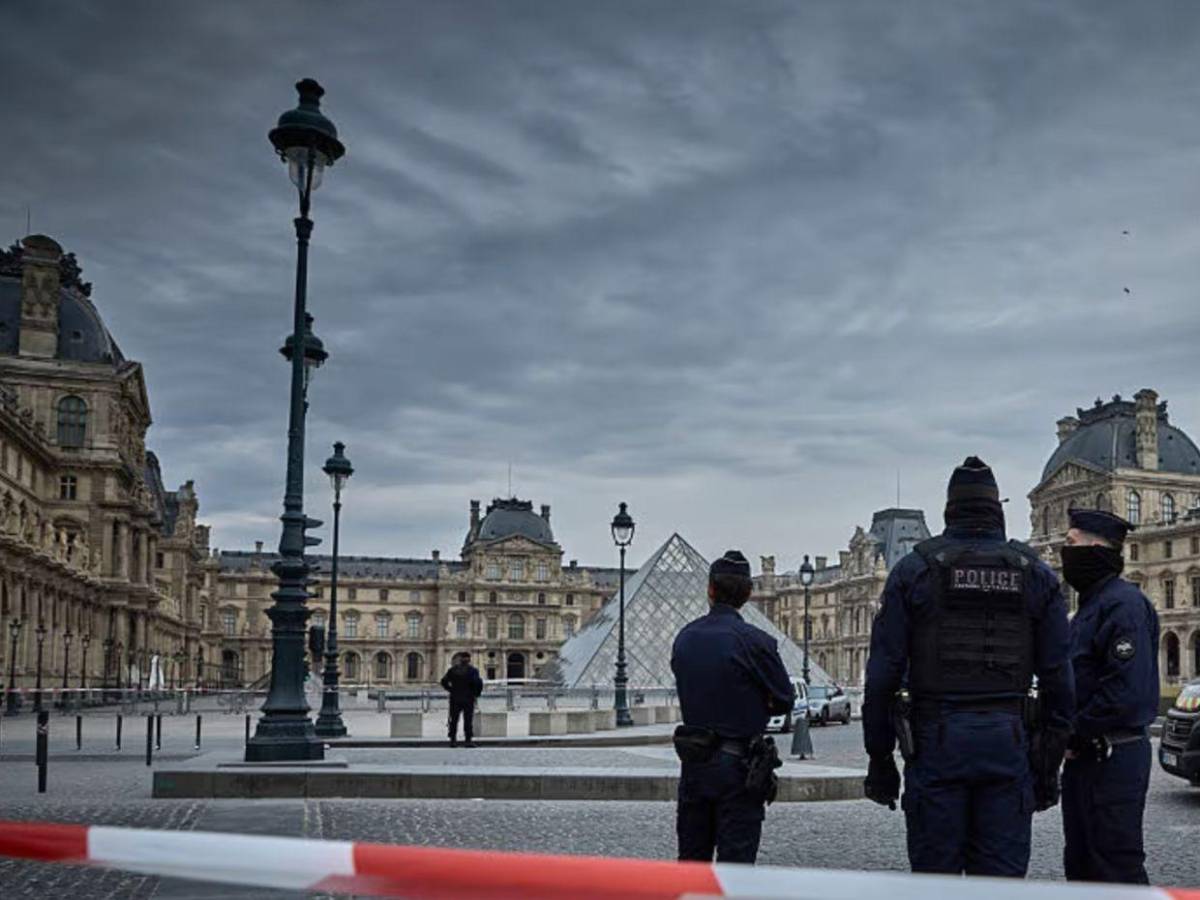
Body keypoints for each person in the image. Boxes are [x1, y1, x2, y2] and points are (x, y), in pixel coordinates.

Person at [862, 456, 1074, 877]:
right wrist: (1047, 769)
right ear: (999, 510)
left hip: (935, 743)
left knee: (936, 881)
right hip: (1008, 741)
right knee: (999, 884)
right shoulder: (1035, 573)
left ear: (947, 511)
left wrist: (880, 759)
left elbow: (882, 676)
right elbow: (1059, 683)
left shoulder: (914, 569)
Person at [670, 550, 795, 864]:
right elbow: (784, 699)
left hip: (694, 764)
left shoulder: (685, 638)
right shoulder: (757, 641)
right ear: (749, 594)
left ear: (710, 589)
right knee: (736, 866)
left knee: (691, 862)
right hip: (738, 769)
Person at [1060, 508, 1159, 884]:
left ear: (1098, 548)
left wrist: (1073, 731)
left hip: (1113, 755)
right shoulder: (1094, 605)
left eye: (1071, 543)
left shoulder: (1123, 605)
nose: (1063, 553)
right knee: (1083, 862)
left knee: (1114, 864)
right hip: (1090, 755)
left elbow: (1124, 692)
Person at [440, 651, 483, 748]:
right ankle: (468, 740)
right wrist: (476, 694)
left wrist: (451, 690)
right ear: (469, 659)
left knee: (454, 719)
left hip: (455, 698)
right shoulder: (473, 671)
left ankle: (453, 740)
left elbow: (443, 681)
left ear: (460, 659)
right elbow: (478, 683)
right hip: (468, 698)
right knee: (468, 720)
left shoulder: (453, 670)